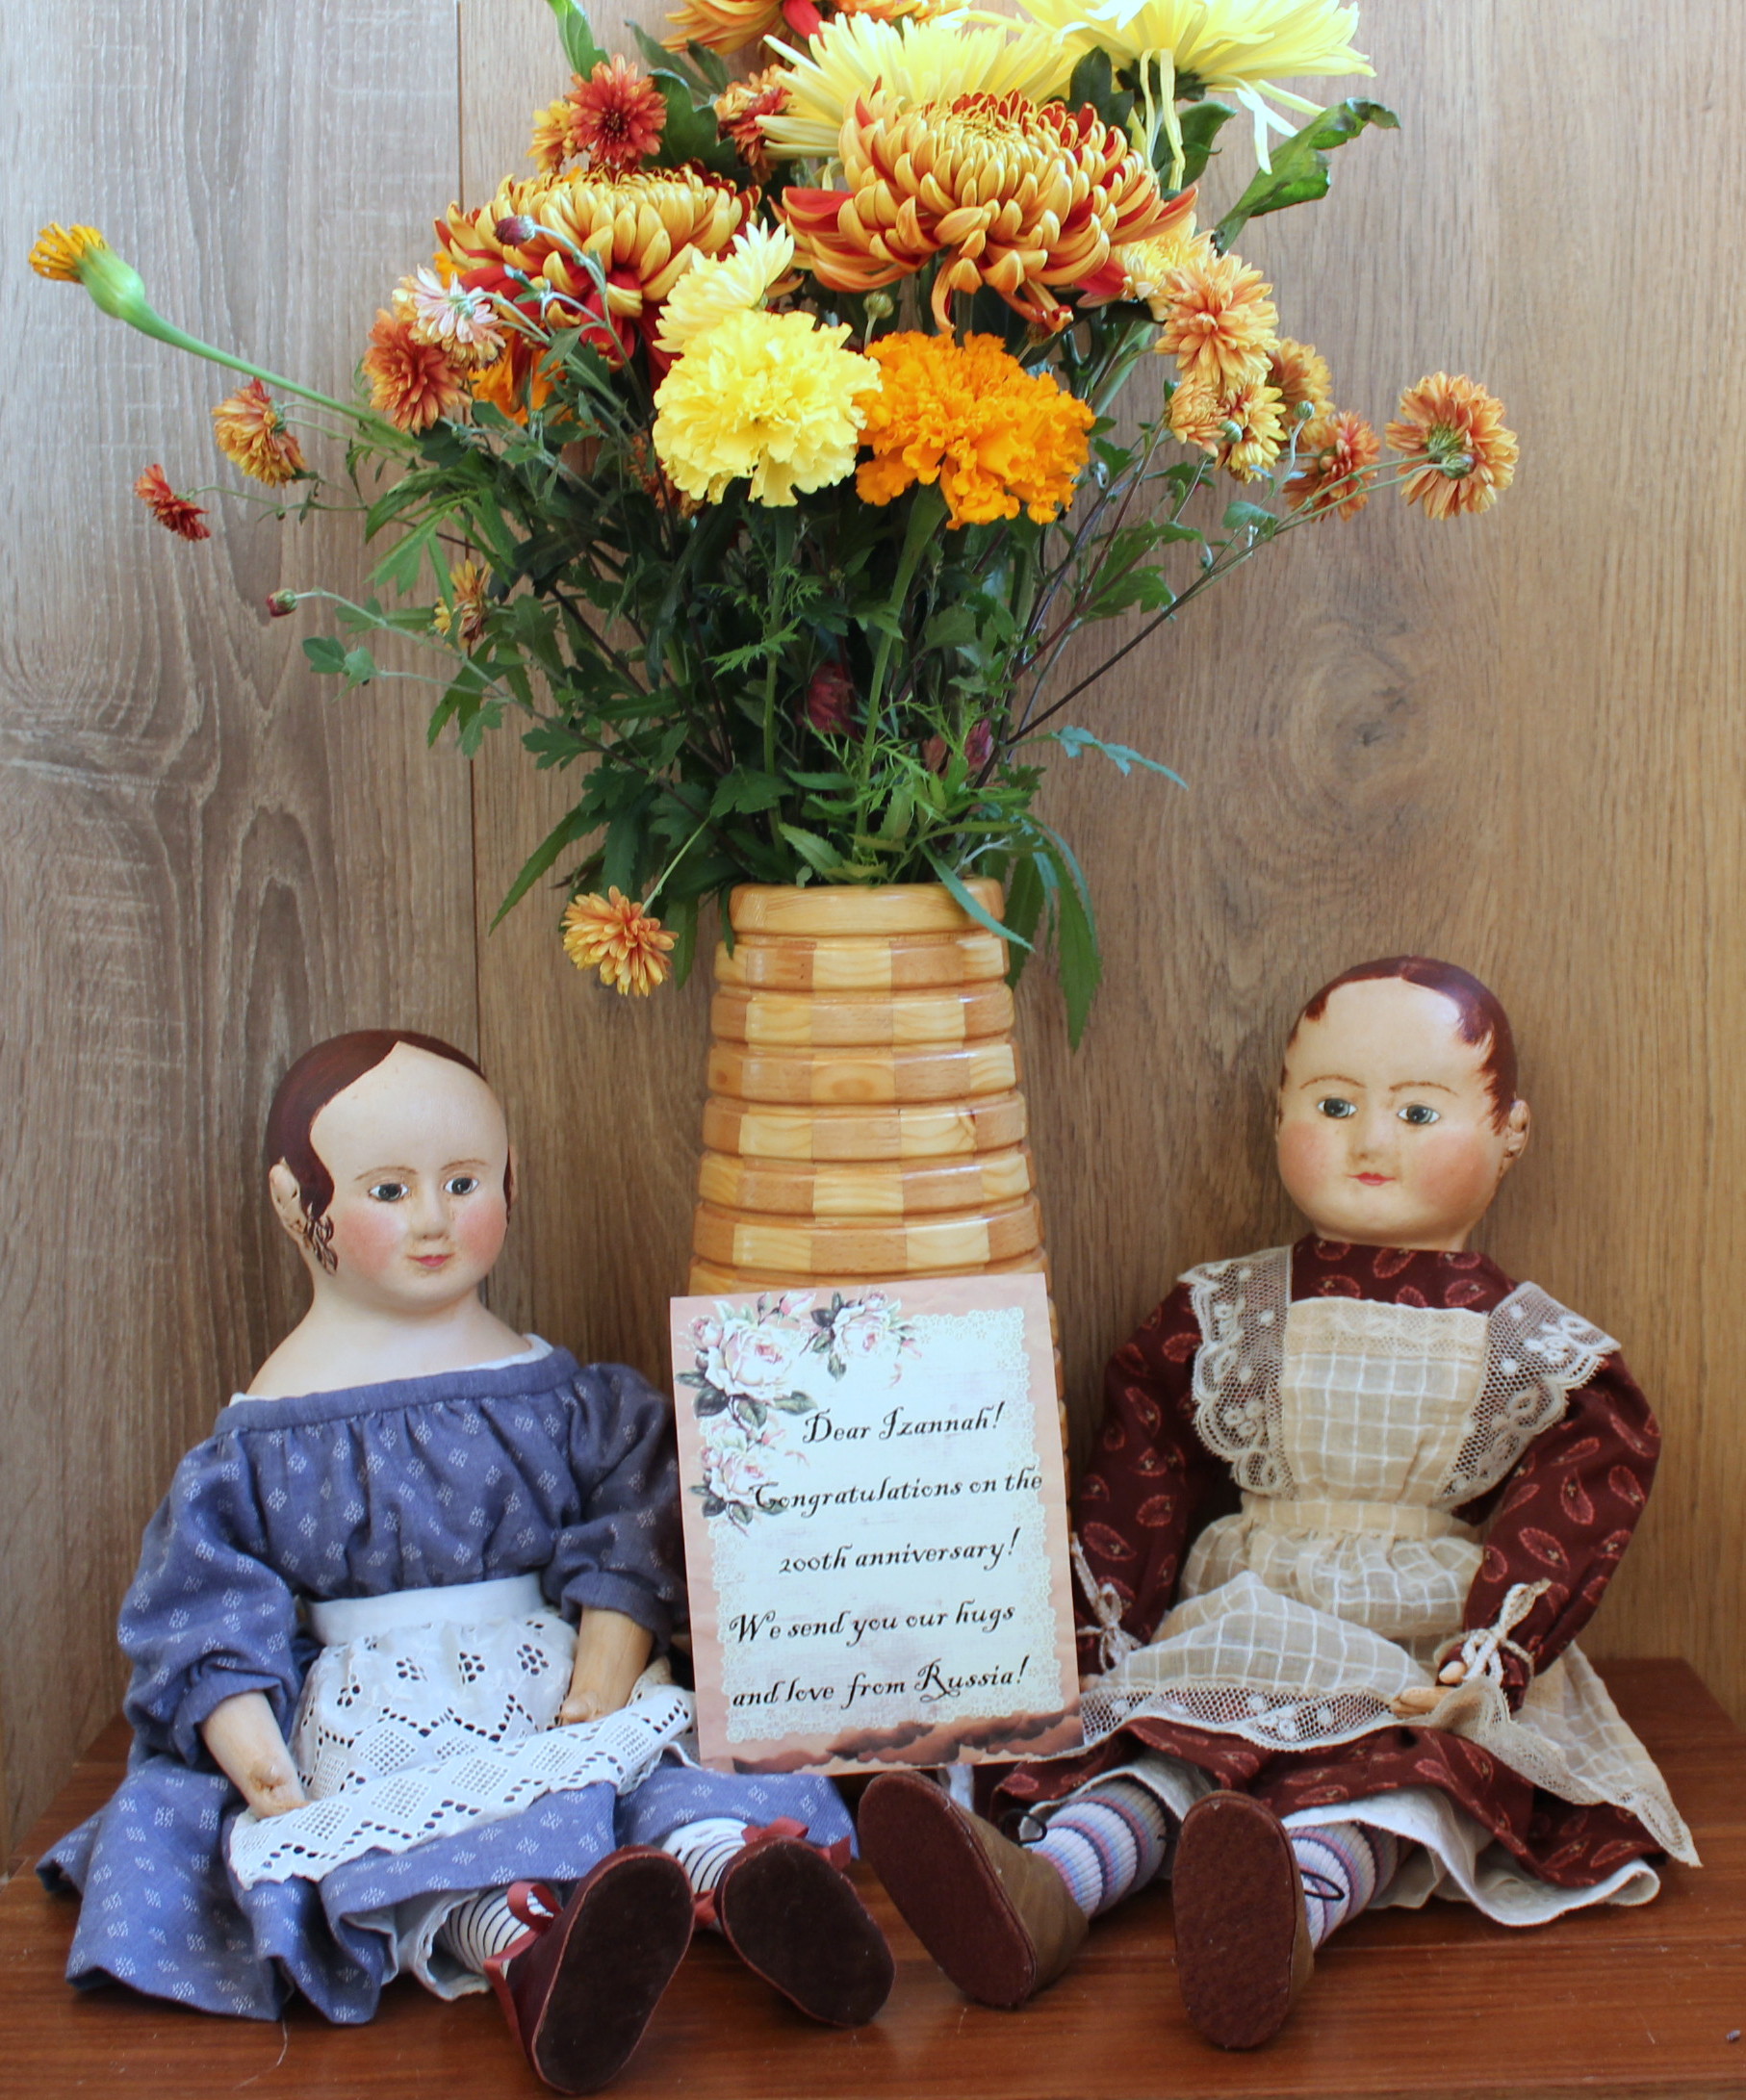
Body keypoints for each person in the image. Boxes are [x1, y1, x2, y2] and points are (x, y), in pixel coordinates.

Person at [859, 958, 1695, 2048]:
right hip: (1246, 1611)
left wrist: (1495, 1651)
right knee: (1170, 1739)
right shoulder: (1228, 1309)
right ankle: (1047, 1892)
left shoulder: (1527, 1341)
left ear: (1510, 1133)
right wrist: (1105, 1622)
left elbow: (1581, 1485)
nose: (1370, 1140)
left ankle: (1278, 1917)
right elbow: (1142, 1461)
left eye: (1417, 1111)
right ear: (1278, 1114)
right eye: (1334, 1105)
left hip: (1417, 1642)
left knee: (1402, 1778)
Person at [40, 1030, 891, 2094]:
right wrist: (266, 1777)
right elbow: (208, 1609)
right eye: (388, 1190)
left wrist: (600, 1681)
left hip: (559, 1675)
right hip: (378, 1709)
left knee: (661, 1769)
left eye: (463, 1181)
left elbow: (631, 1527)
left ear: (510, 1177)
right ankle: (530, 1952)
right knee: (432, 1847)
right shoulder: (261, 1440)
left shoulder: (558, 1390)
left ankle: (742, 1875)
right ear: (297, 1203)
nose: (435, 1219)